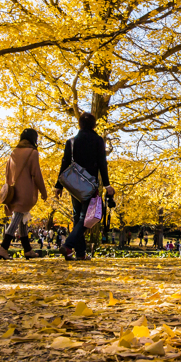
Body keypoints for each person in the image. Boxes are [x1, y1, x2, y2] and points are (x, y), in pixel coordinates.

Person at [55, 112, 114, 261]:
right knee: (88, 217)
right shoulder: (98, 141)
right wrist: (107, 185)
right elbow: (102, 163)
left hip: (74, 185)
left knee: (78, 217)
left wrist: (59, 186)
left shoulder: (72, 141)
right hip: (90, 184)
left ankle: (80, 253)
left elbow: (65, 162)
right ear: (94, 125)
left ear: (79, 124)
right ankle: (69, 245)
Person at [0, 128, 49, 260]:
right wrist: (43, 191)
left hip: (13, 191)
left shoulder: (13, 153)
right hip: (25, 192)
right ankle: (3, 248)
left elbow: (7, 173)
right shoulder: (32, 153)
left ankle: (27, 250)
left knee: (22, 221)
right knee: (16, 220)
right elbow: (36, 174)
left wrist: (7, 189)